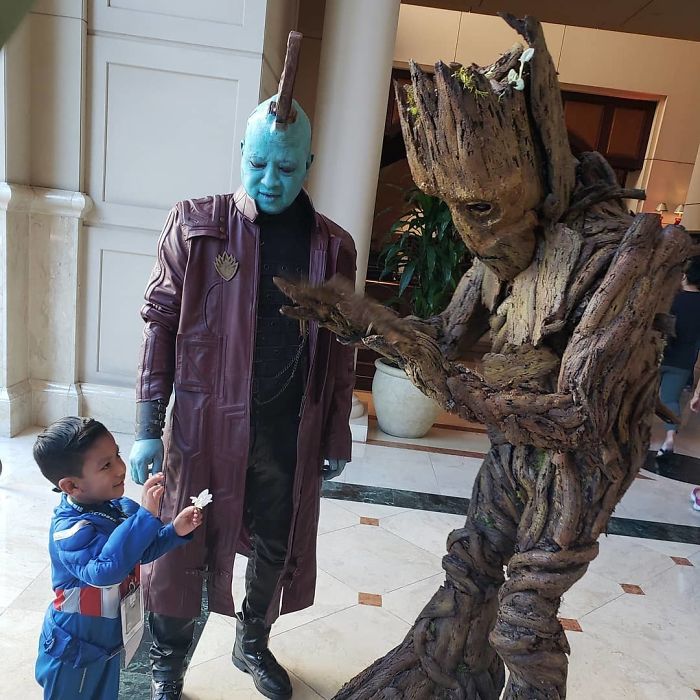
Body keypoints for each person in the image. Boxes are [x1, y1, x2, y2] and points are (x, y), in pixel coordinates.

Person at [128, 82, 356, 699]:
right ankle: (167, 661)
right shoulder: (196, 225)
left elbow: (341, 349)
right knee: (180, 545)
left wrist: (336, 434)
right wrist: (148, 426)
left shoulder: (332, 247)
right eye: (257, 163)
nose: (270, 180)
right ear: (241, 154)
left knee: (275, 542)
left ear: (309, 164)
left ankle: (252, 641)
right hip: (203, 427)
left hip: (288, 428)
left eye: (286, 167)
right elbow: (160, 325)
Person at [33, 417, 203, 700]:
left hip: (106, 644)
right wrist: (145, 517)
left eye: (117, 455)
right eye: (106, 465)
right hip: (74, 648)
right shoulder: (70, 531)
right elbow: (105, 572)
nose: (121, 468)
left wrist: (174, 531)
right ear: (71, 486)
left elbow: (138, 551)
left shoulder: (118, 507)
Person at [657, 257, 700, 458]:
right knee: (670, 399)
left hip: (657, 356)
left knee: (640, 395)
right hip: (683, 361)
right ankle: (669, 440)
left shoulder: (670, 299)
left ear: (684, 276)